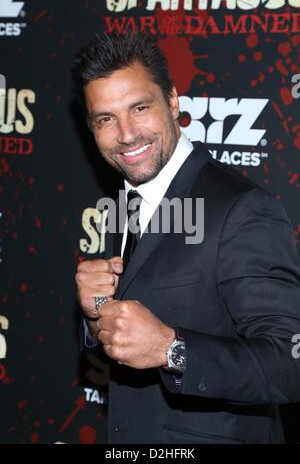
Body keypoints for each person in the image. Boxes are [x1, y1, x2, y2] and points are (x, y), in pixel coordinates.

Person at [72, 32, 300, 444]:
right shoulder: (131, 194)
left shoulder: (242, 208)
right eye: (106, 119)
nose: (126, 135)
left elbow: (289, 363)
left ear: (173, 101)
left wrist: (170, 349)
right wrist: (96, 312)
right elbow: (135, 330)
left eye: (139, 108)